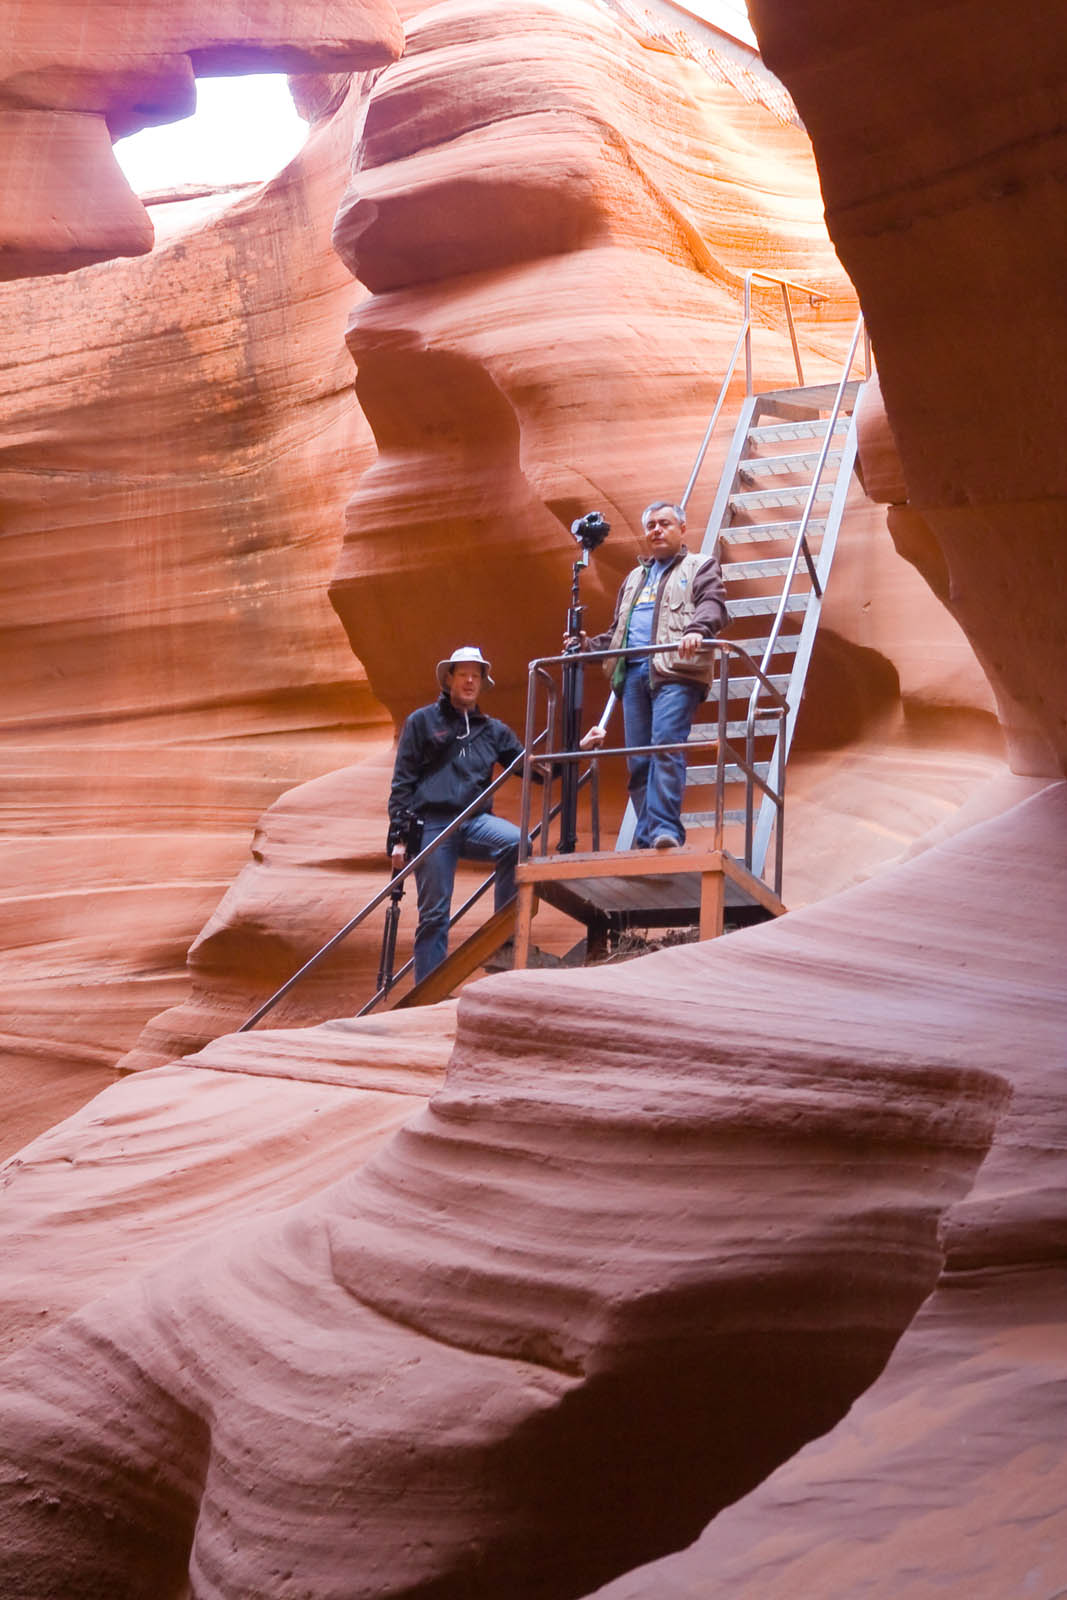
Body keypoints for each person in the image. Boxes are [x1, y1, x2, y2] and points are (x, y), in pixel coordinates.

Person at [578, 500, 727, 849]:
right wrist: (586, 647)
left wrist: (698, 629)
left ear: (682, 529)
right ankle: (648, 838)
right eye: (651, 526)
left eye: (664, 523)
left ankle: (665, 831)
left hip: (675, 668)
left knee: (665, 746)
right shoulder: (634, 577)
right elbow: (620, 630)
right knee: (639, 758)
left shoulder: (699, 566)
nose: (656, 530)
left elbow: (713, 604)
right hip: (632, 672)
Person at [387, 646, 524, 983]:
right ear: (448, 679)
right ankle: (429, 993)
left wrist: (581, 747)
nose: (469, 681)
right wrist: (399, 839)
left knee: (518, 844)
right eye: (463, 674)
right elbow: (402, 782)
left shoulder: (493, 731)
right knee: (434, 914)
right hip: (433, 824)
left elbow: (533, 767)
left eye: (475, 676)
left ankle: (503, 940)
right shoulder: (422, 722)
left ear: (482, 683)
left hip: (474, 822)